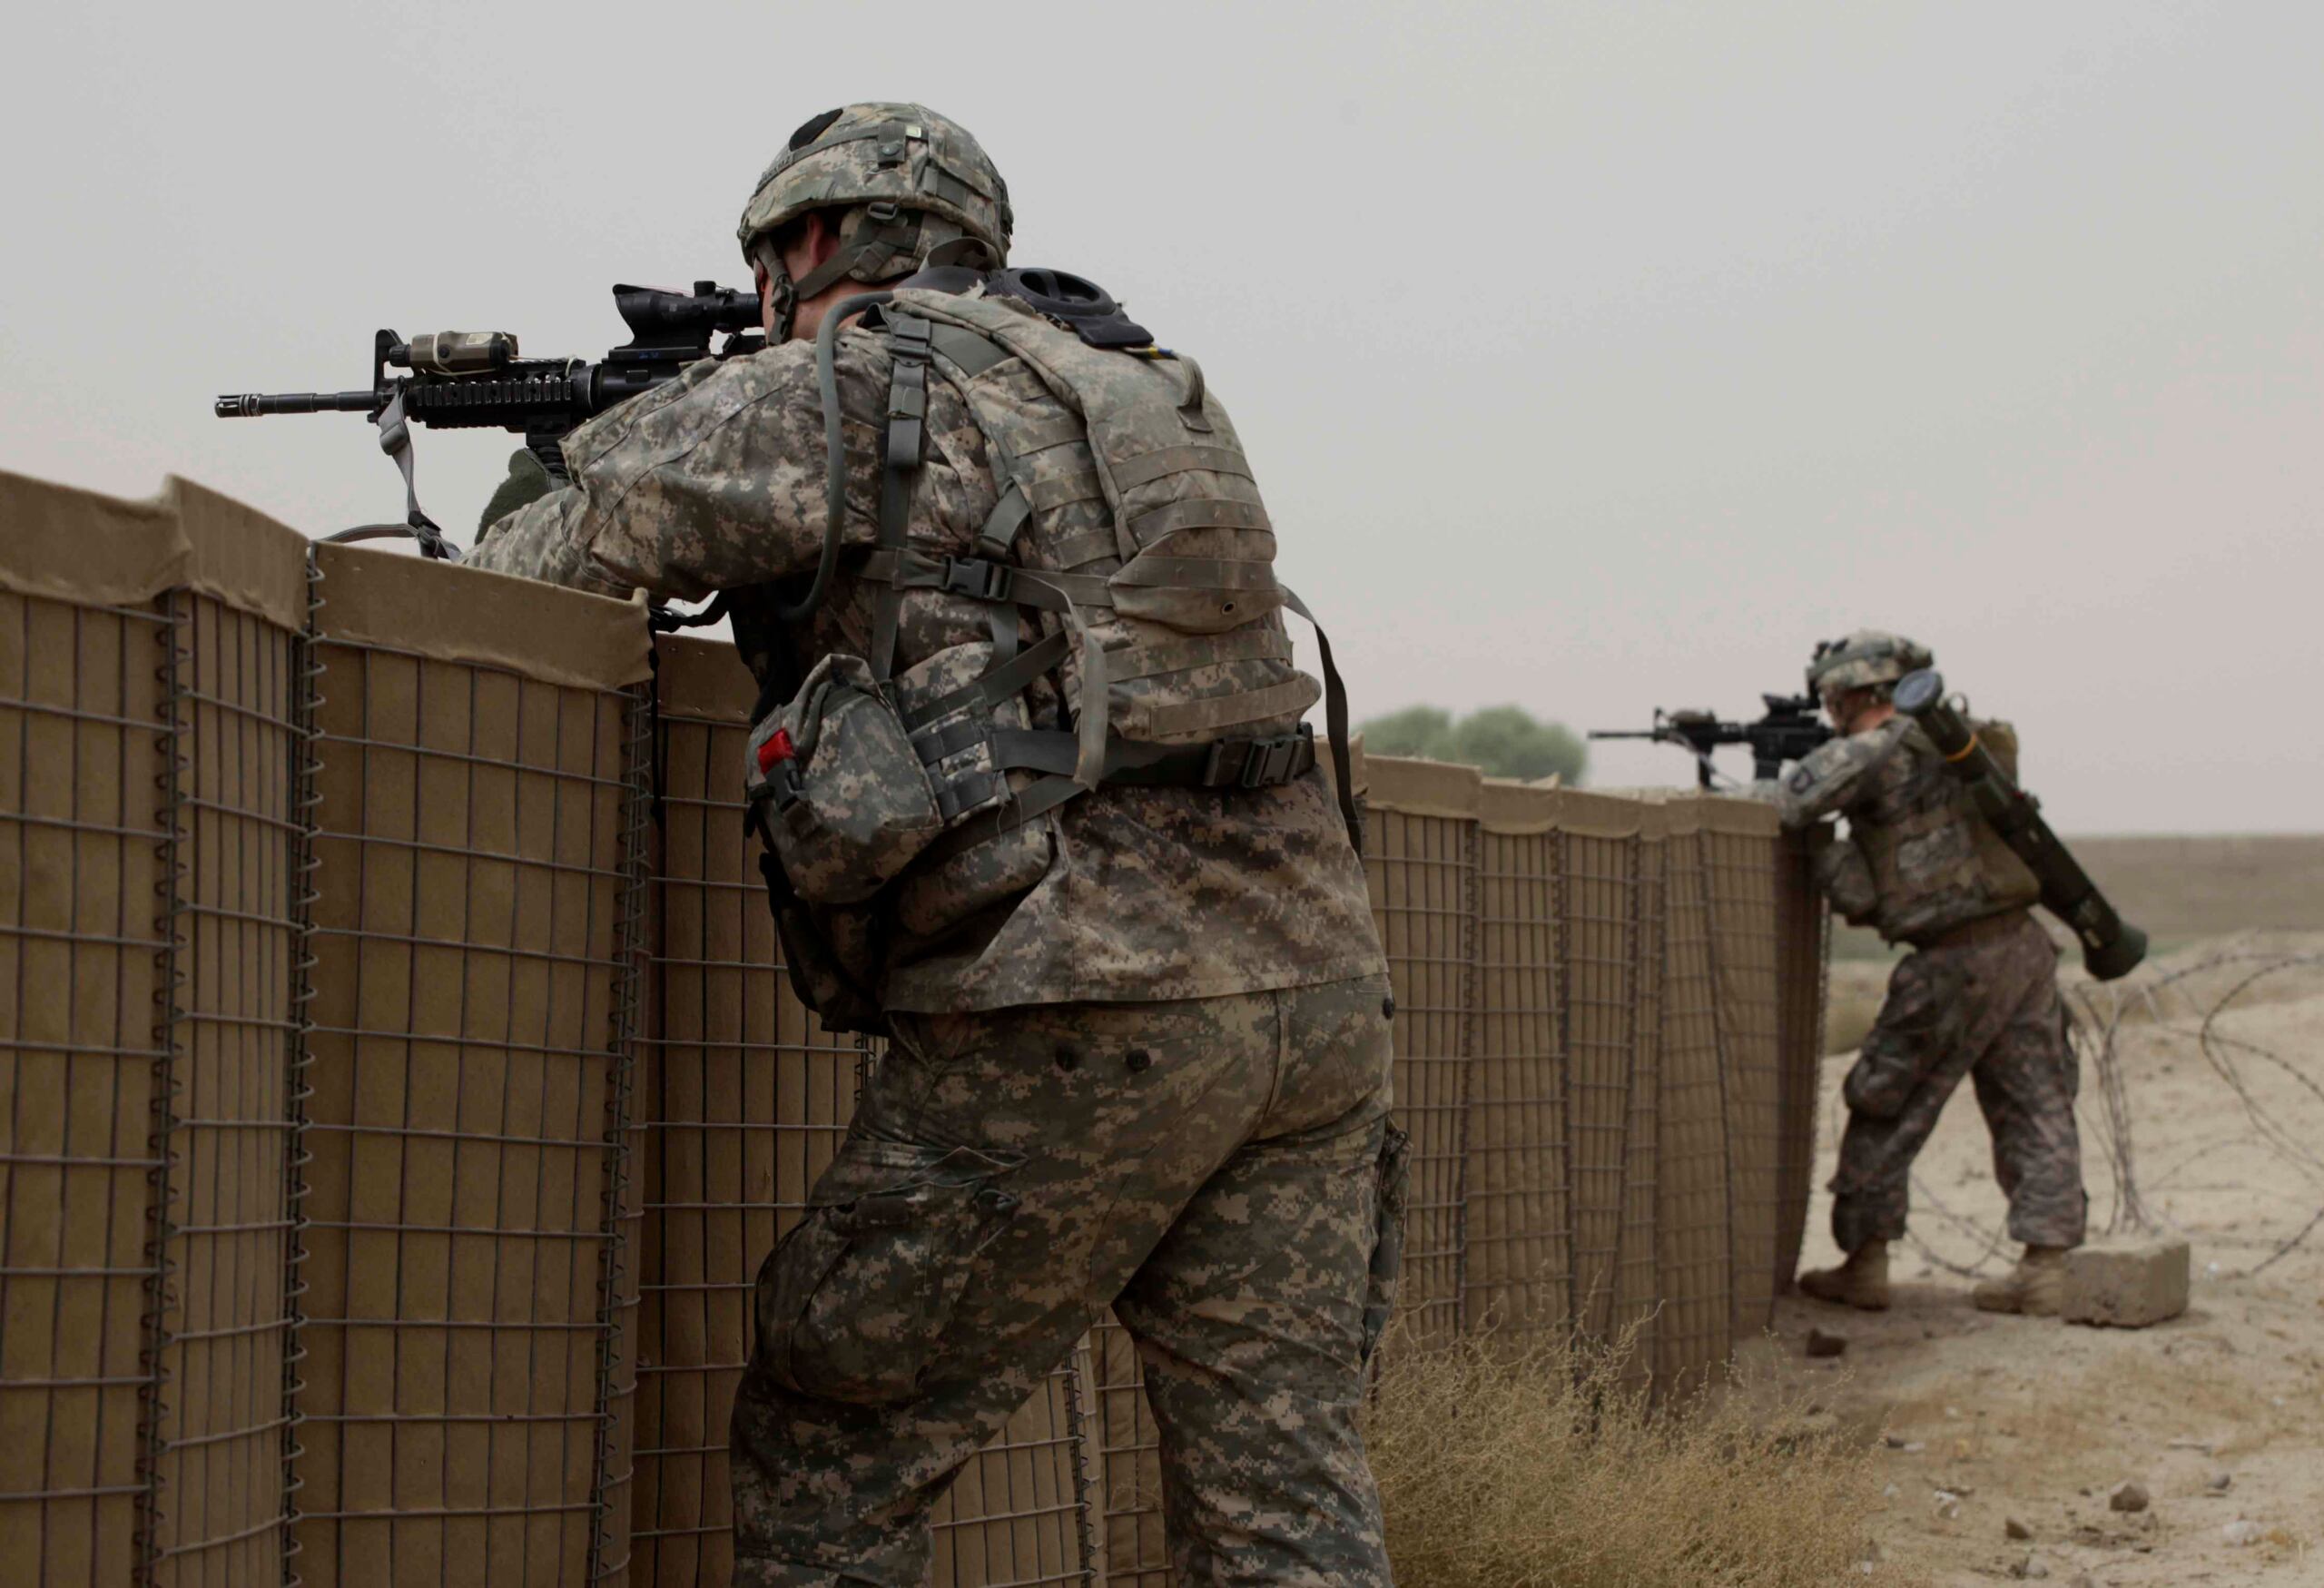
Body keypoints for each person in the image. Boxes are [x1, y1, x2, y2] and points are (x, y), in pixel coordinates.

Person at [466, 104, 1403, 1588]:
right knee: (1280, 1477)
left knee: (834, 1436)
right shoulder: (1142, 385)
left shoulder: (833, 383)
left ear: (816, 238)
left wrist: (546, 449)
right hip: (1317, 988)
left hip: (1080, 1000)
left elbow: (528, 569)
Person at [1752, 630, 2085, 1317]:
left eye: (1833, 699)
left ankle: (1865, 1260)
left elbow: (1788, 803)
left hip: (1951, 961)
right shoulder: (1963, 741)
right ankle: (2046, 1267)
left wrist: (1766, 784)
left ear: (1853, 693)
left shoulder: (1876, 748)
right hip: (2018, 944)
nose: (1831, 711)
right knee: (2036, 1102)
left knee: (1886, 1098)